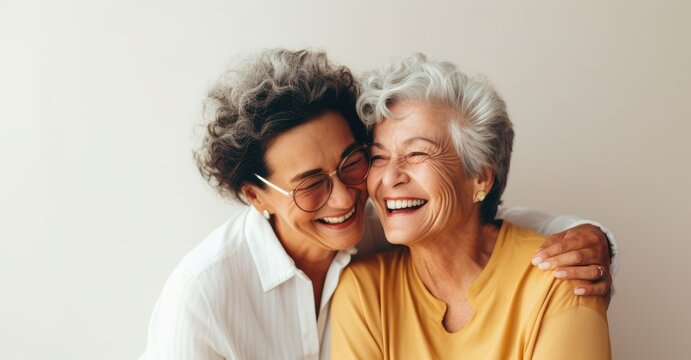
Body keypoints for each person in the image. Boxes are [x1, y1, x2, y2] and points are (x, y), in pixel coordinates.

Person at [140, 49, 616, 360]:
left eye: (352, 163)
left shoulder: (382, 224)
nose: (349, 196)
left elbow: (482, 226)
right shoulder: (202, 298)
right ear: (254, 195)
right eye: (310, 185)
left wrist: (594, 238)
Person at [330, 54, 611, 359]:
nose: (390, 177)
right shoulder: (364, 292)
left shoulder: (562, 277)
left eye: (417, 153)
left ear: (480, 178)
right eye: (380, 157)